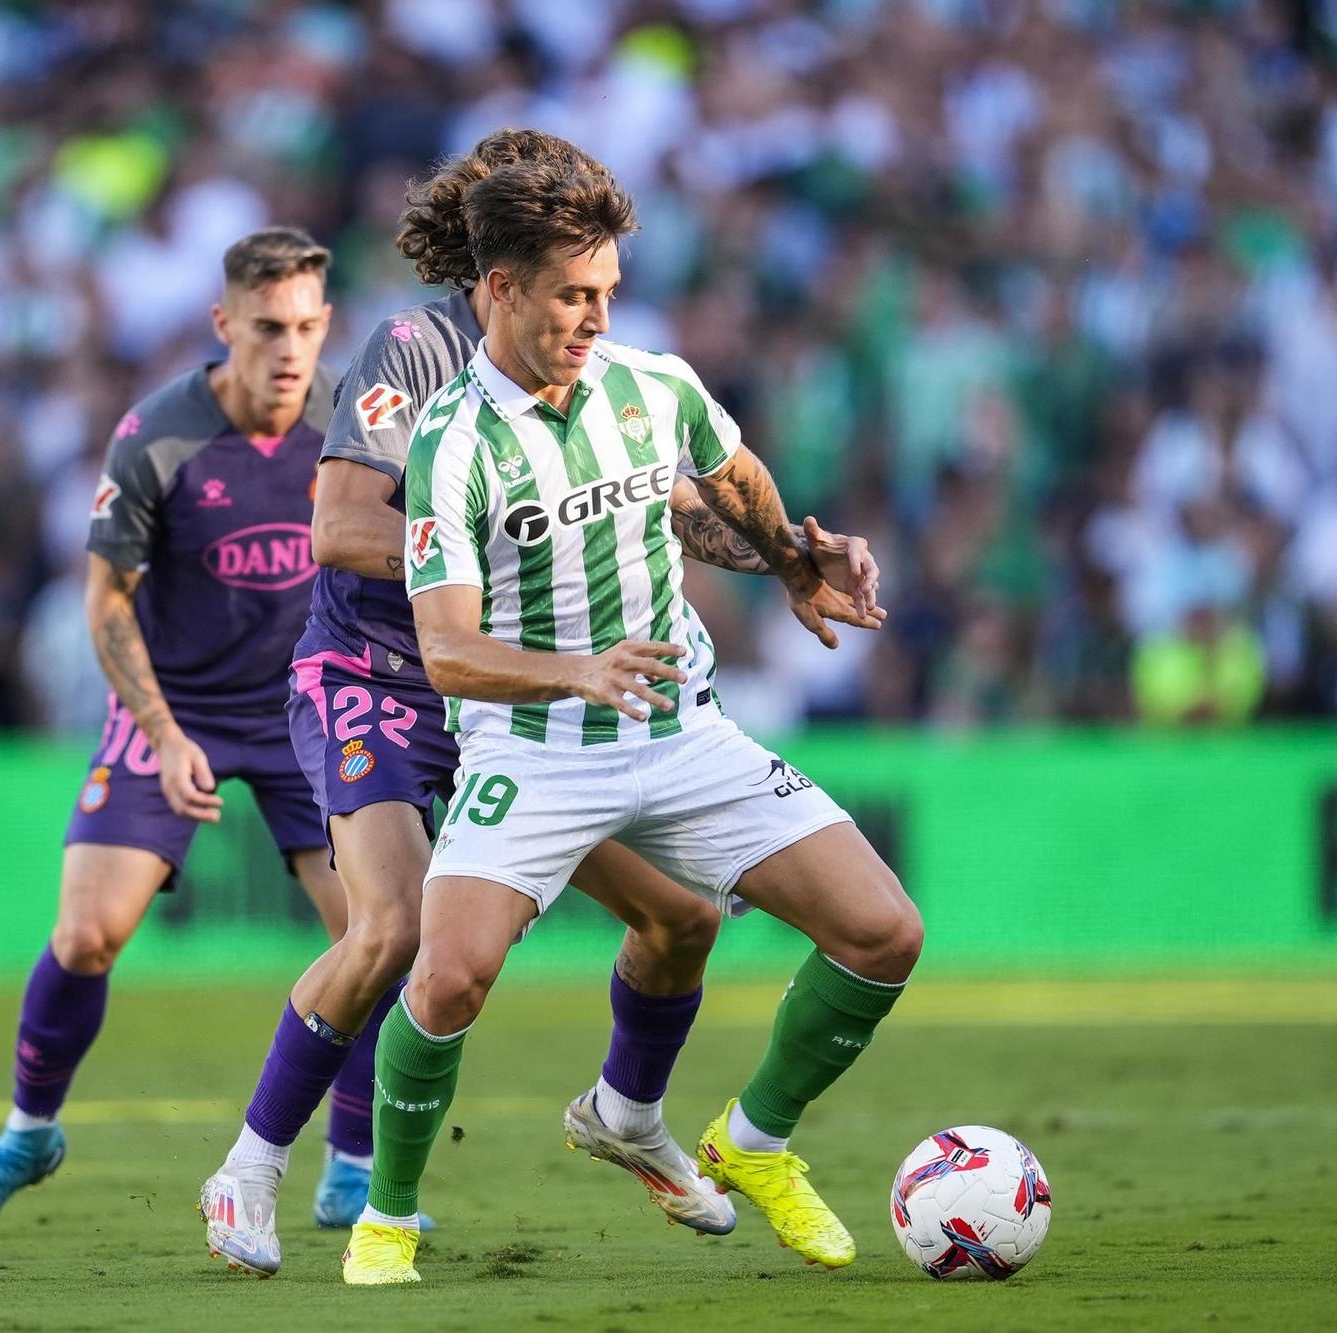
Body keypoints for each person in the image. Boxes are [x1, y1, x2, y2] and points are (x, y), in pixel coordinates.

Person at [199, 131, 880, 1278]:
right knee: (397, 930)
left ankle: (627, 1117)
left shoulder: (604, 375)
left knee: (682, 920)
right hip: (381, 678)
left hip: (534, 702)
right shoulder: (414, 353)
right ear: (497, 254)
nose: (593, 301)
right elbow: (336, 528)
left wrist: (781, 554)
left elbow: (656, 500)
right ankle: (254, 1165)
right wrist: (472, 563)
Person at [0, 228, 352, 1237]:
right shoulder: (159, 434)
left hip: (307, 704)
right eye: (264, 329)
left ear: (324, 323)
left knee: (376, 936)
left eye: (302, 327)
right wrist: (160, 732)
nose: (287, 350)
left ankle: (356, 1154)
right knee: (85, 935)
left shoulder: (355, 424)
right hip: (179, 708)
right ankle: (28, 1132)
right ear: (223, 325)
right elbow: (106, 597)